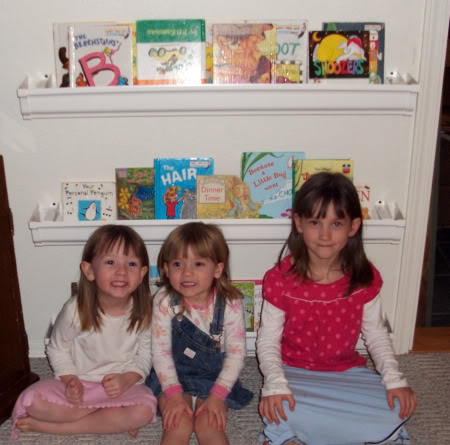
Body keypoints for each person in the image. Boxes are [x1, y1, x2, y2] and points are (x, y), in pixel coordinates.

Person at [256, 172, 417, 445]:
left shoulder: (364, 278)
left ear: (353, 227)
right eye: (315, 222)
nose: (325, 235)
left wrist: (394, 378)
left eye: (336, 223)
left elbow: (375, 334)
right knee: (279, 408)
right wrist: (274, 383)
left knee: (395, 406)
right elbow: (268, 340)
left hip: (346, 373)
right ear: (298, 223)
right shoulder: (279, 279)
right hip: (294, 372)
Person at [11, 225, 156, 439]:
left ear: (142, 273)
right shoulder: (75, 310)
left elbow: (145, 355)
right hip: (81, 386)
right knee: (32, 401)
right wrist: (71, 381)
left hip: (122, 387)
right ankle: (108, 419)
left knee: (146, 409)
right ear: (89, 271)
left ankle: (61, 428)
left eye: (131, 264)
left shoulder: (145, 311)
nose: (121, 271)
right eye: (110, 262)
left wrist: (127, 379)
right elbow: (57, 349)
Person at [146, 221, 253, 445]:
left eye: (198, 264)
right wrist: (174, 395)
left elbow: (235, 356)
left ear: (217, 269)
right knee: (178, 423)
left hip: (214, 379)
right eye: (178, 264)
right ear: (166, 269)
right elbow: (161, 353)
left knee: (209, 425)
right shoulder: (164, 300)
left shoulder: (231, 303)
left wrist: (217, 397)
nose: (187, 272)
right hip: (172, 376)